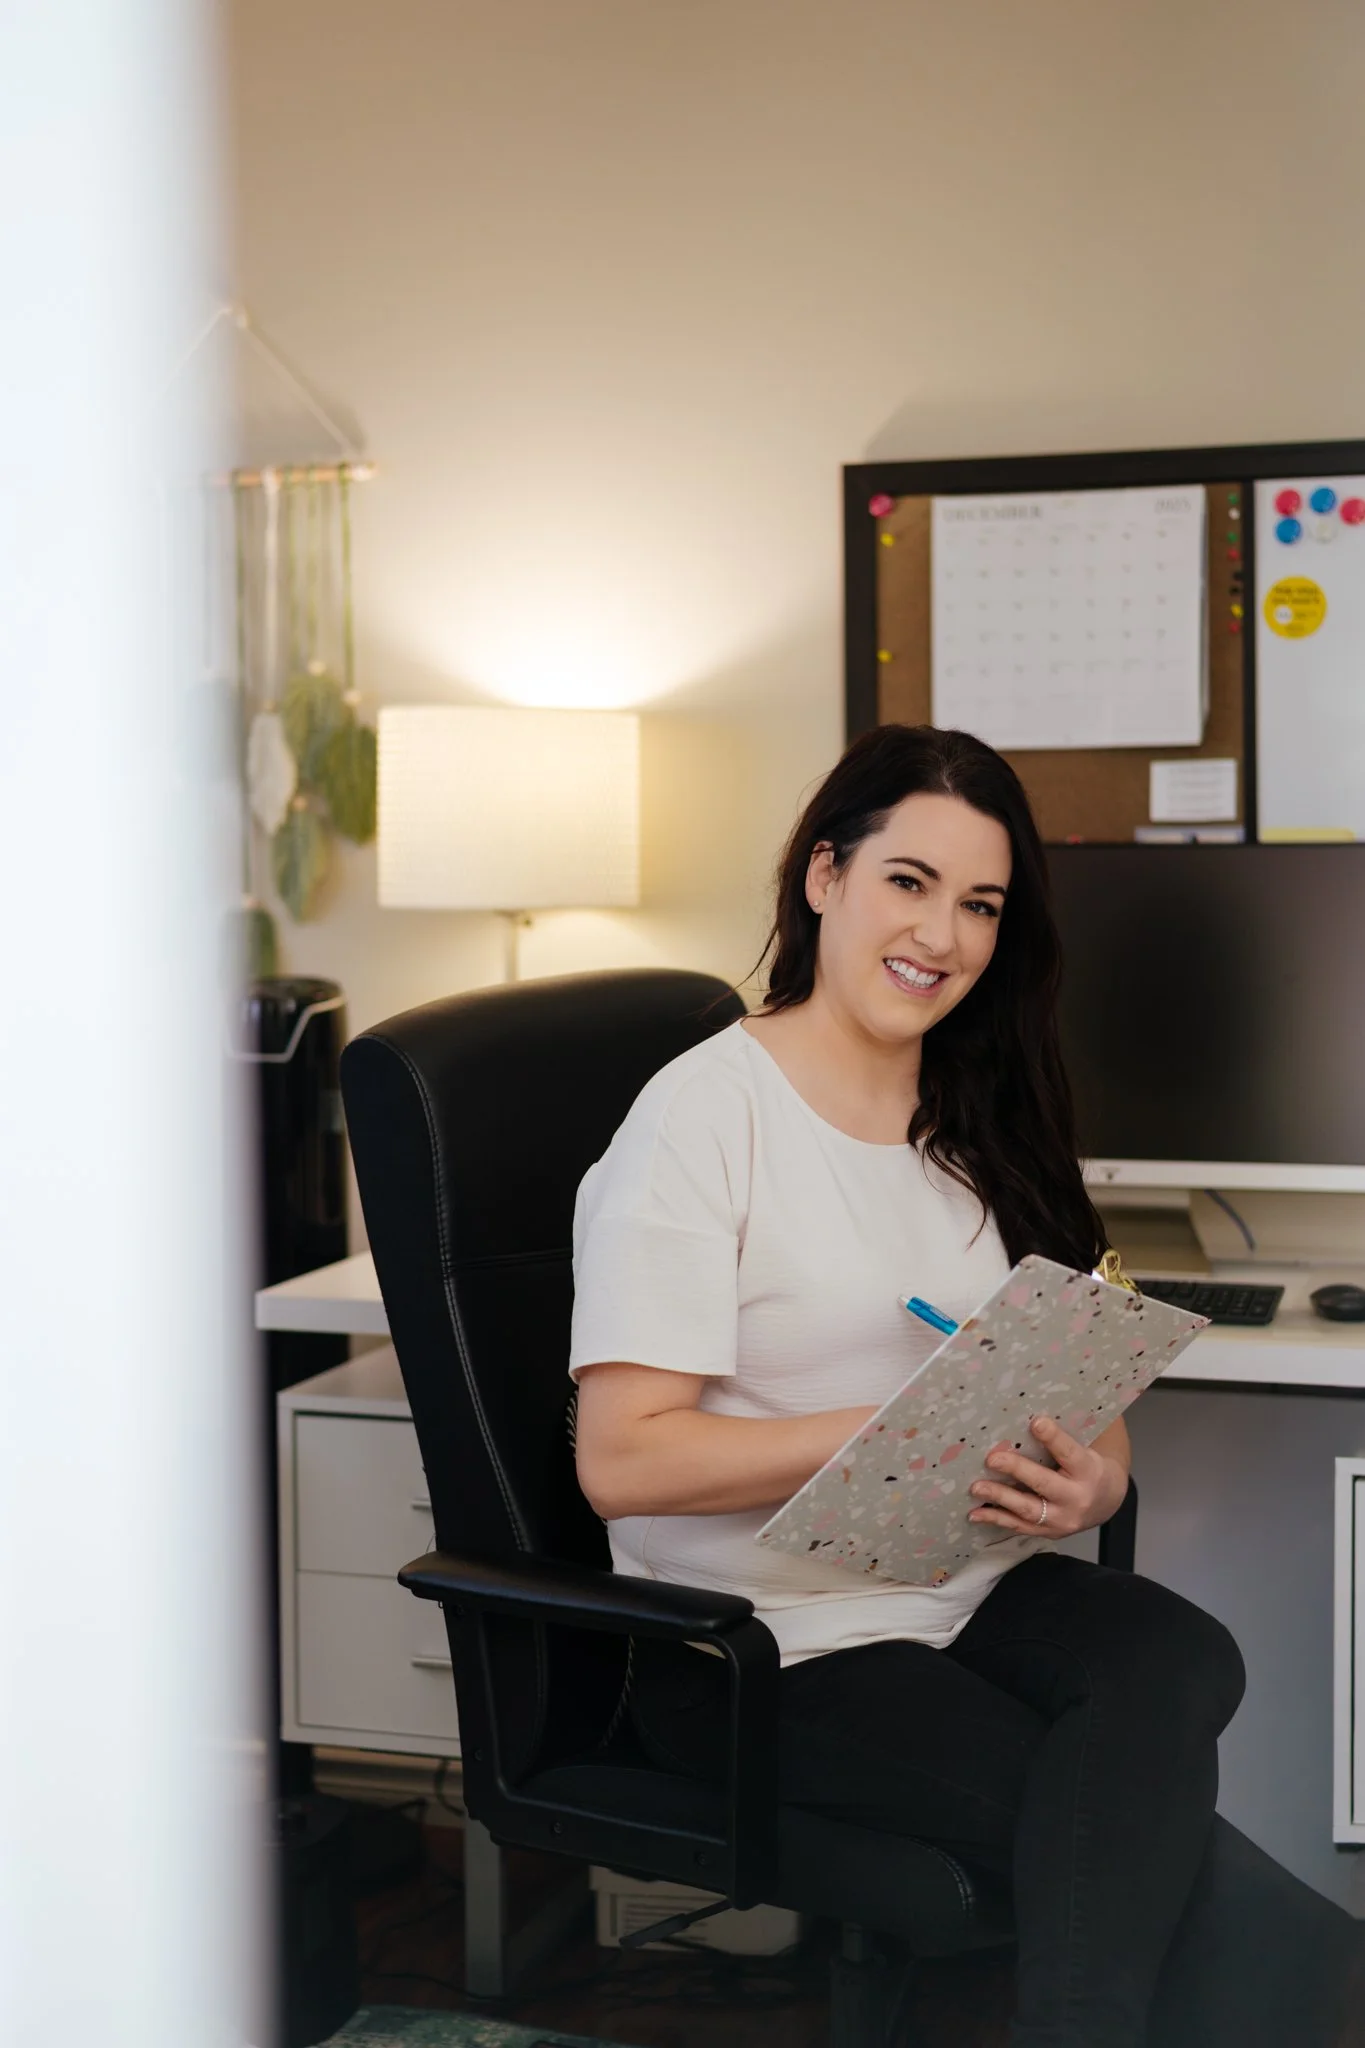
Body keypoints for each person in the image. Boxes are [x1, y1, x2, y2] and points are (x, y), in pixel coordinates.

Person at [568, 723, 1360, 2048]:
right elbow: (624, 1459)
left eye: (980, 904)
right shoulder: (701, 1120)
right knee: (1127, 1852)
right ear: (824, 876)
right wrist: (892, 1427)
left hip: (962, 1583)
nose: (942, 933)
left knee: (1180, 1653)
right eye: (908, 881)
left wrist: (1090, 1470)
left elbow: (1074, 1366)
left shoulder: (982, 1108)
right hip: (768, 1640)